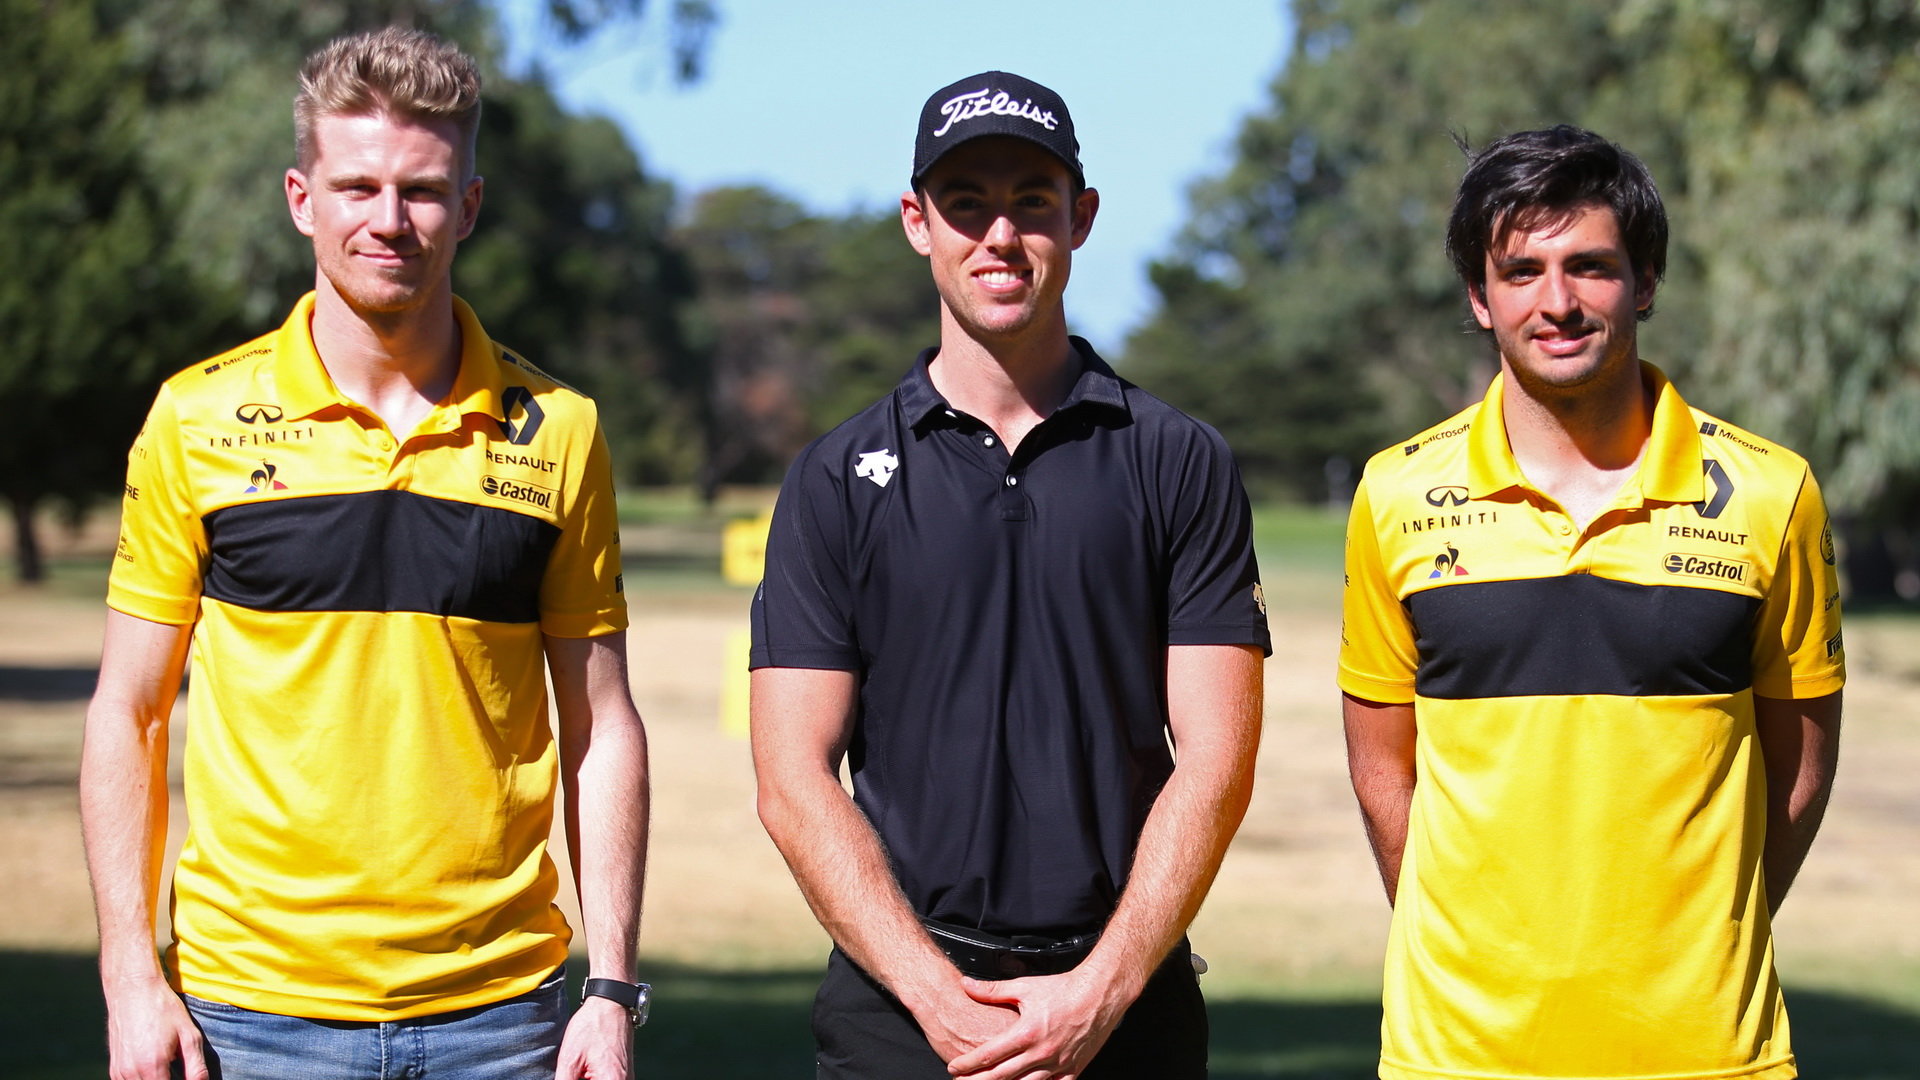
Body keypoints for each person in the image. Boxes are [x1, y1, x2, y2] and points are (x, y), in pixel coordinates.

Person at [80, 27, 650, 1080]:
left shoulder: (560, 429)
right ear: (303, 199)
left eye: (425, 191)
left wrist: (611, 988)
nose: (389, 221)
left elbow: (601, 725)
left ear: (469, 207)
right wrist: (130, 975)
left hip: (502, 1018)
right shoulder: (194, 420)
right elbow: (131, 712)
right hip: (250, 1016)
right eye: (357, 187)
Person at [749, 71, 1271, 1080]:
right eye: (966, 203)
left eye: (1032, 201)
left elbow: (1218, 761)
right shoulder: (834, 479)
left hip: (1125, 1011)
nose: (999, 234)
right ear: (917, 222)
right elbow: (790, 778)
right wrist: (938, 1000)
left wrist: (1104, 989)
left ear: (1080, 219)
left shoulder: (1177, 459)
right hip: (899, 1014)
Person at [1339, 125, 1846, 1080]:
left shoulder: (1775, 494)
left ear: (1645, 280)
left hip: (1708, 1054)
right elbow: (1382, 773)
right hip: (1456, 1056)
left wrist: (1695, 947)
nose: (1557, 302)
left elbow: (1801, 772)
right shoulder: (1394, 495)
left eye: (1591, 267)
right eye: (1521, 270)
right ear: (1478, 299)